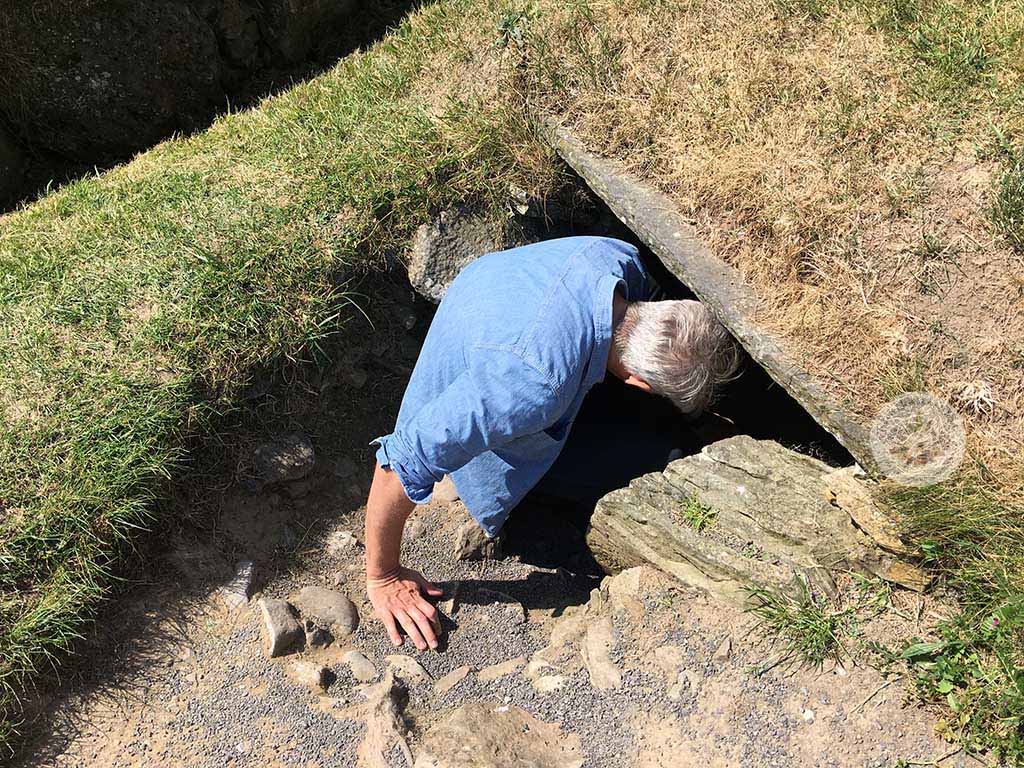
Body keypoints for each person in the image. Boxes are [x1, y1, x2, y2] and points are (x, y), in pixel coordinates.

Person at [364, 236, 740, 650]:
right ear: (639, 383)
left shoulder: (616, 258)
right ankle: (525, 517)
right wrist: (384, 576)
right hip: (488, 385)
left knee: (652, 434)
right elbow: (399, 461)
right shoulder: (532, 386)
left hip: (493, 315)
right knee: (660, 459)